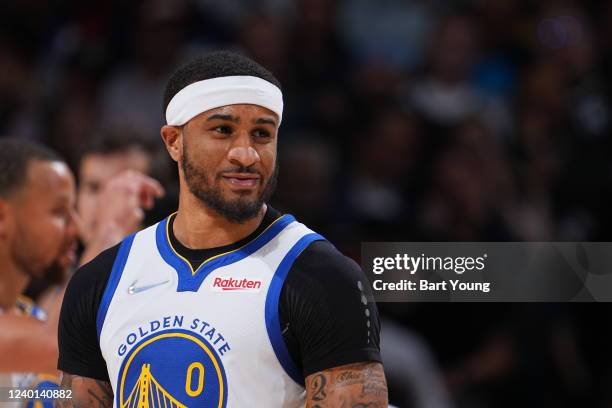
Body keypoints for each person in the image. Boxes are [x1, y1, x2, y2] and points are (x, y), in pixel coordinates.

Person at [58, 51, 388, 407]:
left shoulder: (325, 279)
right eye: (223, 130)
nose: (246, 154)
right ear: (173, 141)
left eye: (262, 134)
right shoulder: (99, 280)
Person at [0, 138, 164, 407]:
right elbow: (55, 344)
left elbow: (15, 394)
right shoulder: (44, 331)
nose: (75, 228)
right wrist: (109, 230)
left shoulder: (31, 315)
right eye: (59, 212)